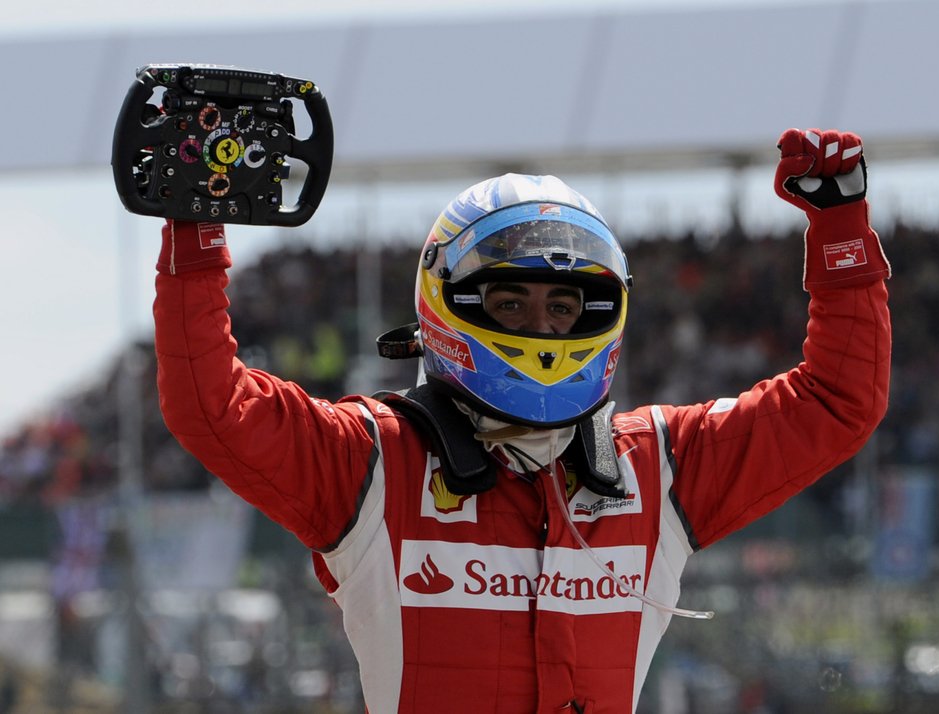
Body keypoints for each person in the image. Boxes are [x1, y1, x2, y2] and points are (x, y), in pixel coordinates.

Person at [152, 128, 891, 713]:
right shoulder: (371, 460)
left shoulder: (656, 465)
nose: (541, 327)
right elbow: (212, 406)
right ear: (448, 303)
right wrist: (196, 227)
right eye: (510, 303)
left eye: (563, 305)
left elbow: (836, 401)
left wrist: (841, 228)